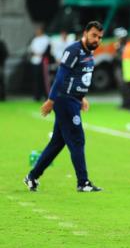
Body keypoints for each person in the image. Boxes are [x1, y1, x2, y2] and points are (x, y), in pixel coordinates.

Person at [24, 21, 104, 192]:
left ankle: (32, 176)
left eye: (99, 37)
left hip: (74, 100)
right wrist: (51, 100)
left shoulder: (88, 52)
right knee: (77, 139)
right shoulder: (73, 50)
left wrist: (82, 97)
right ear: (85, 33)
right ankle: (83, 182)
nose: (97, 40)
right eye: (94, 35)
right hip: (64, 100)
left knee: (57, 143)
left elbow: (79, 77)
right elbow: (61, 76)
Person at [29, 25, 50, 101]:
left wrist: (40, 54)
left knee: (44, 79)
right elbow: (31, 49)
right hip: (35, 61)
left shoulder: (46, 39)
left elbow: (46, 50)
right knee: (36, 79)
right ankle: (37, 96)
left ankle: (46, 95)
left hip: (43, 61)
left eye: (38, 30)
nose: (37, 32)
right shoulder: (35, 39)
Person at [0, 34, 9, 101]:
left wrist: (1, 62)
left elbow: (5, 53)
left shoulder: (1, 43)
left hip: (0, 65)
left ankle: (2, 96)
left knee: (1, 81)